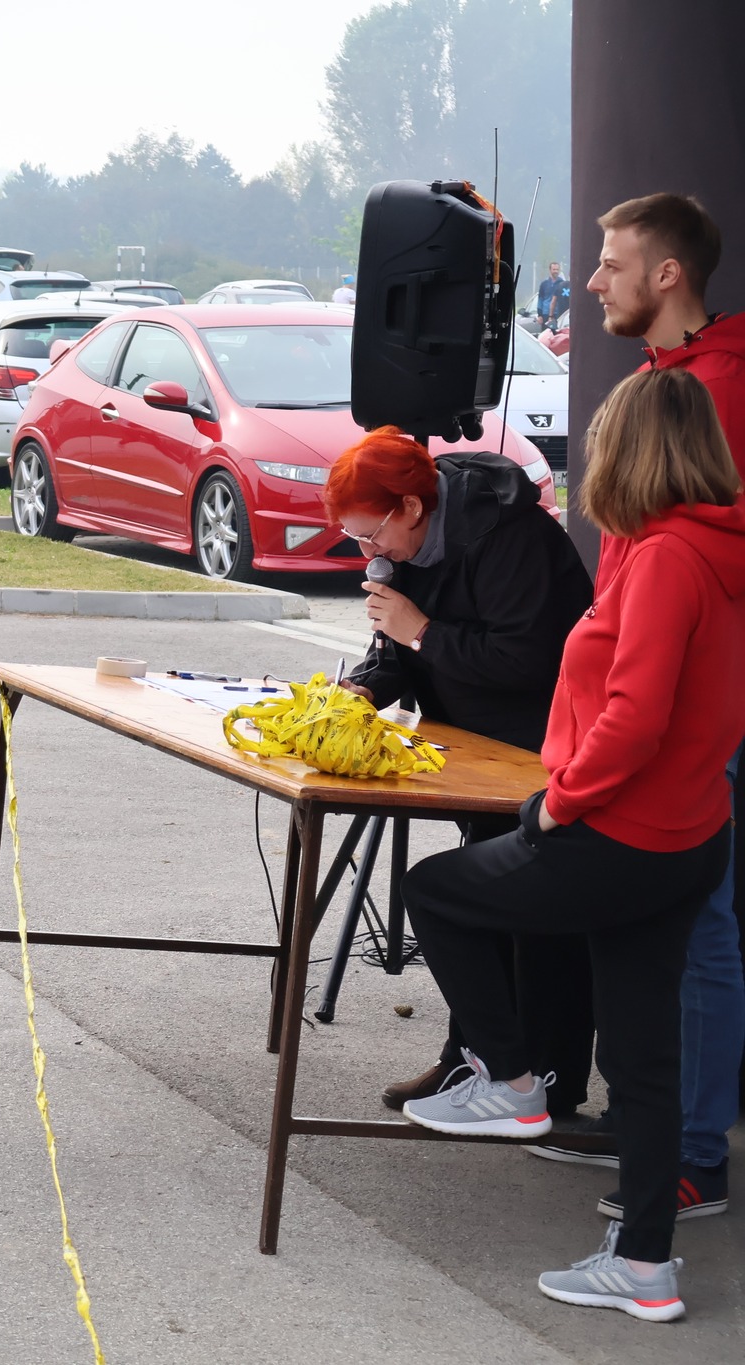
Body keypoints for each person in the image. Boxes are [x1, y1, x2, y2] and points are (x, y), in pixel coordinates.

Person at [398, 368, 745, 1322]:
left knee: (437, 892)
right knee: (641, 1053)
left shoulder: (671, 555)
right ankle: (645, 1267)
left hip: (620, 833)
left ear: (633, 449)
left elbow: (634, 715)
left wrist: (559, 804)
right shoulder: (703, 548)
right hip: (686, 835)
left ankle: (512, 1081)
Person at [327, 429, 596, 1121]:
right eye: (356, 541)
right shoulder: (406, 547)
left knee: (538, 921)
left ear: (412, 507)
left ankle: (548, 1077)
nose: (370, 554)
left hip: (543, 751)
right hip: (474, 750)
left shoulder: (508, 537)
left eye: (372, 536)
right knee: (477, 904)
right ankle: (470, 1055)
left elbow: (528, 660)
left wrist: (421, 632)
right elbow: (398, 650)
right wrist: (362, 687)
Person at [583, 191, 742, 1216]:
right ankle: (651, 1125)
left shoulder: (716, 386)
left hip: (686, 710)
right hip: (645, 695)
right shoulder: (663, 375)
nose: (593, 279)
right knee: (665, 921)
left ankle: (690, 1151)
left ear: (666, 274)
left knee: (700, 925)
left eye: (610, 261)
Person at [537, 261, 571, 330]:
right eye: (554, 269)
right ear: (550, 270)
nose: (556, 271)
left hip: (558, 313)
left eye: (557, 270)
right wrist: (540, 315)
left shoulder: (562, 283)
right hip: (546, 314)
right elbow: (540, 299)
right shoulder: (544, 284)